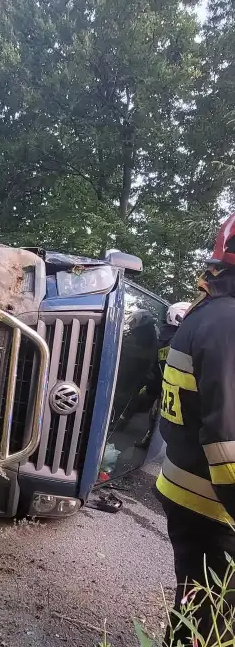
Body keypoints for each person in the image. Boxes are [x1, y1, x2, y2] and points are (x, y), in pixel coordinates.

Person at [156, 213, 235, 644]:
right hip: (212, 505)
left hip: (186, 490)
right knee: (213, 625)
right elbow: (229, 446)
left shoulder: (208, 315)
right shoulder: (229, 324)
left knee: (196, 613)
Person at [136, 301, 190, 449]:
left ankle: (149, 438)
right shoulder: (179, 340)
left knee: (156, 415)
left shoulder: (164, 337)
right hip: (173, 388)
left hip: (160, 384)